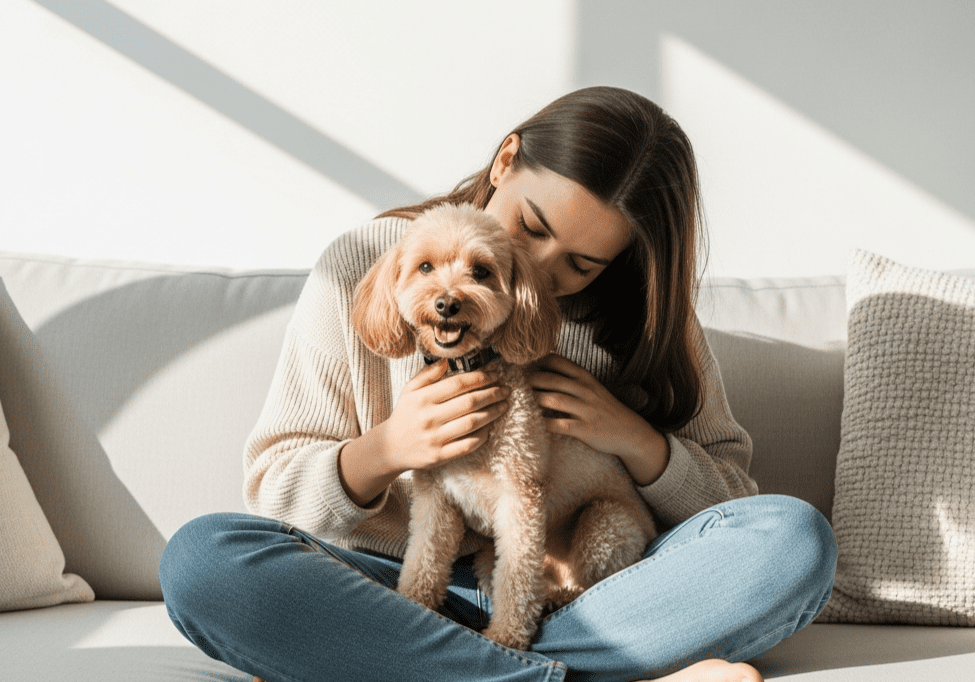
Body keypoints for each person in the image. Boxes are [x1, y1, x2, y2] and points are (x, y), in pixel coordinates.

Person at [159, 86, 837, 682]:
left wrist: (635, 442)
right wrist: (386, 449)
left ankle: (411, 672)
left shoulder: (648, 319)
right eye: (530, 227)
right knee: (203, 561)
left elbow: (733, 504)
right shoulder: (369, 263)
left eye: (579, 265)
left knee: (792, 541)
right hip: (385, 594)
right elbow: (272, 495)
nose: (538, 275)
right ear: (504, 161)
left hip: (588, 595)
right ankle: (552, 675)